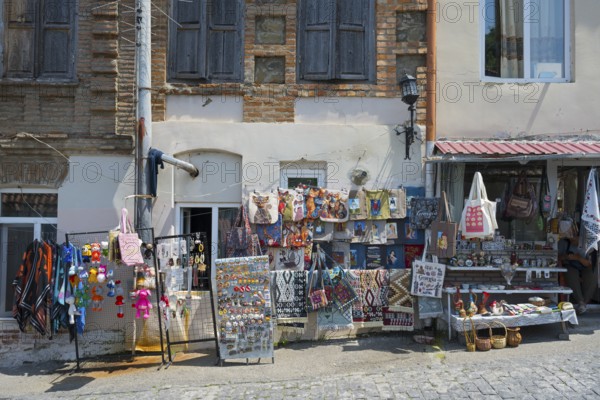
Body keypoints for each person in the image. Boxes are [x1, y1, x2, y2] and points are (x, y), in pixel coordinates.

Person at [558, 237, 596, 314]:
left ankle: (584, 303)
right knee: (570, 274)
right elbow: (556, 257)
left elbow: (589, 264)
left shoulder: (589, 244)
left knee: (592, 275)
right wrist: (566, 257)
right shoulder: (563, 242)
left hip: (584, 265)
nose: (572, 238)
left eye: (575, 236)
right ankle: (580, 301)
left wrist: (578, 258)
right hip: (570, 265)